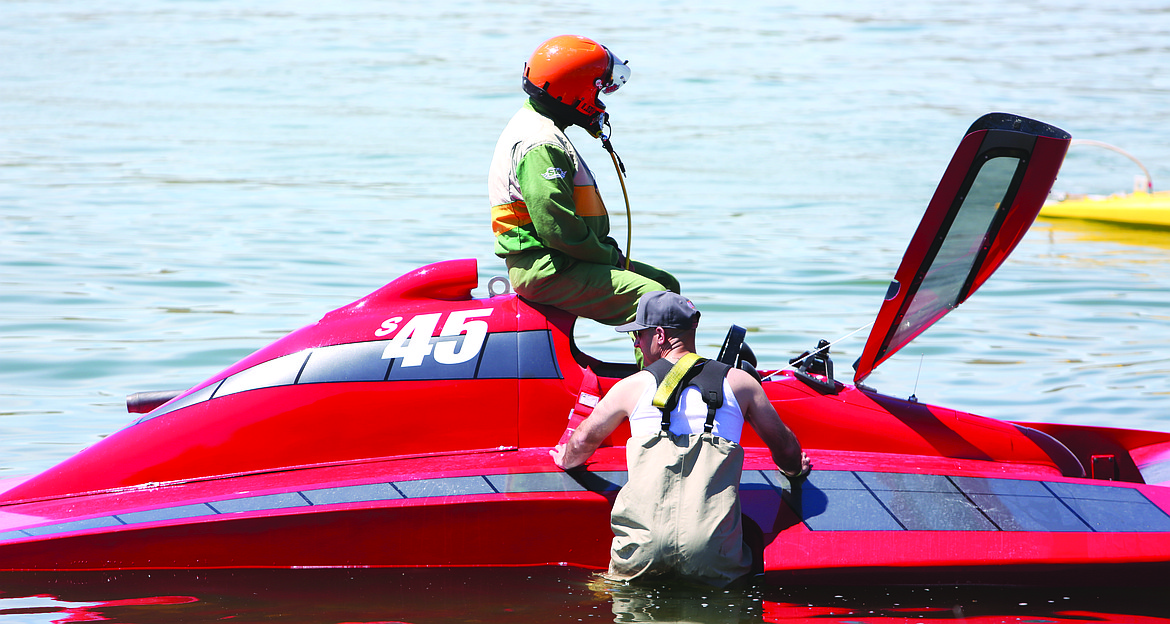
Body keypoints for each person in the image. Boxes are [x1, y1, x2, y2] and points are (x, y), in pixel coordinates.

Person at [550, 291, 812, 587]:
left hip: (641, 551)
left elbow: (582, 442)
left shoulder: (631, 386)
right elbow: (786, 449)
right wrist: (795, 470)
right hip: (713, 554)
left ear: (659, 335)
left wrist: (564, 458)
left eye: (638, 334)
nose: (636, 342)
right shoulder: (740, 383)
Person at [488, 35, 679, 326]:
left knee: (665, 284)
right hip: (548, 268)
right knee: (656, 300)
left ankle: (655, 363)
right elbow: (558, 230)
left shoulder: (541, 126)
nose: (598, 102)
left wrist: (607, 256)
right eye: (598, 90)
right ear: (574, 91)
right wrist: (607, 257)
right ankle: (662, 372)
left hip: (564, 259)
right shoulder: (542, 143)